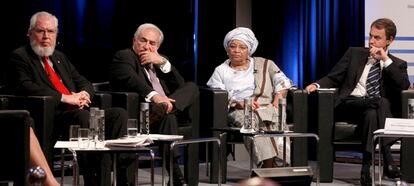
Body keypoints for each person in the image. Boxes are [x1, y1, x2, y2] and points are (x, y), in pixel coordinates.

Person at [7, 11, 128, 186]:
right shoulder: (20, 56)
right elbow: (24, 86)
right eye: (41, 31)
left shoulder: (59, 57)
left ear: (56, 34)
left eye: (51, 31)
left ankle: (119, 180)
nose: (46, 36)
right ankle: (92, 181)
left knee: (118, 115)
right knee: (84, 117)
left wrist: (84, 94)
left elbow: (83, 81)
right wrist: (65, 98)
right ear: (30, 32)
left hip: (75, 111)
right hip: (50, 115)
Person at [305, 18, 409, 185]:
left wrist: (385, 60)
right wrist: (316, 84)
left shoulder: (397, 64)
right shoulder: (354, 53)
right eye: (370, 36)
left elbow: (403, 85)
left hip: (372, 110)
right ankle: (388, 157)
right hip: (350, 104)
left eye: (377, 38)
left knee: (372, 114)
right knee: (381, 103)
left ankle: (365, 168)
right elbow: (334, 76)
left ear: (390, 40)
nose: (371, 41)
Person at [110, 23, 199, 186]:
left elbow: (180, 85)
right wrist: (156, 97)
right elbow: (131, 80)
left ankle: (165, 109)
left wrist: (163, 62)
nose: (146, 46)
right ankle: (176, 175)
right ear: (134, 41)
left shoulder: (159, 61)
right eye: (143, 41)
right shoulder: (125, 56)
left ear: (158, 46)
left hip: (163, 113)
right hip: (144, 114)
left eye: (152, 43)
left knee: (191, 87)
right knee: (169, 117)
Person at [206, 27, 293, 168]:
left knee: (275, 116)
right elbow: (217, 93)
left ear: (249, 50)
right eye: (232, 46)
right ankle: (269, 166)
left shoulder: (265, 64)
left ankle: (274, 164)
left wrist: (276, 101)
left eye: (242, 47)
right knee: (251, 121)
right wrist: (239, 103)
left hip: (268, 106)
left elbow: (283, 81)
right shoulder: (221, 70)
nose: (236, 50)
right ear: (227, 49)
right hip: (239, 109)